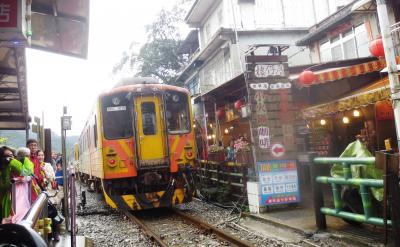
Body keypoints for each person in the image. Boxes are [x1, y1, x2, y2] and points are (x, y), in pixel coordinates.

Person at [9, 147, 35, 223]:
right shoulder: (28, 163)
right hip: (19, 187)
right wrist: (23, 179)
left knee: (18, 205)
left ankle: (15, 221)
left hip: (15, 187)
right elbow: (28, 175)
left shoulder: (13, 162)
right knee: (21, 205)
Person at [0, 146, 22, 223]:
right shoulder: (3, 167)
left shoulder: (12, 163)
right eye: (7, 156)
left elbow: (23, 172)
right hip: (5, 198)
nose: (10, 158)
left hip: (15, 197)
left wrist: (12, 161)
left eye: (12, 155)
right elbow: (4, 185)